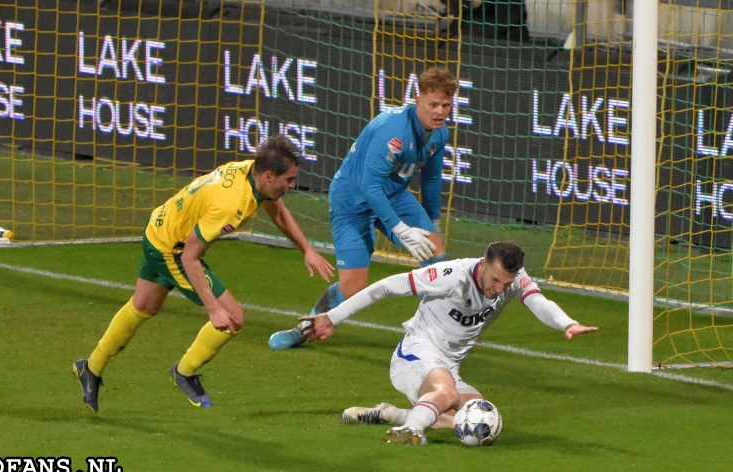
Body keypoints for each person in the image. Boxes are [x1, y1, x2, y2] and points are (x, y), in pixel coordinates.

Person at [72, 135, 335, 412]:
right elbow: (189, 257)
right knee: (232, 316)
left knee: (144, 304)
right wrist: (213, 310)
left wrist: (306, 248)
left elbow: (277, 212)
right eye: (289, 180)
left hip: (161, 227)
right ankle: (184, 371)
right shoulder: (230, 205)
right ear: (269, 176)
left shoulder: (253, 172)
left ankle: (90, 368)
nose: (292, 186)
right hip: (171, 247)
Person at [298, 241, 599, 445]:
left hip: (448, 365)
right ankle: (410, 429)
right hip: (415, 352)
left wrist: (567, 324)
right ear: (484, 264)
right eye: (495, 280)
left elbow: (540, 303)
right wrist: (332, 317)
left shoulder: (514, 279)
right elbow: (386, 287)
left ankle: (391, 414)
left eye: (505, 284)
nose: (498, 290)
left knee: (481, 418)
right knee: (446, 391)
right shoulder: (452, 275)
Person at [267, 66, 459, 350]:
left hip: (393, 193)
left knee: (436, 253)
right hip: (352, 201)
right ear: (418, 100)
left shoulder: (439, 134)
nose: (440, 111)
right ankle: (305, 328)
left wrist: (433, 221)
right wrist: (400, 228)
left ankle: (429, 336)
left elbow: (431, 178)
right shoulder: (392, 130)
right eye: (433, 104)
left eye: (445, 105)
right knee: (353, 287)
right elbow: (369, 186)